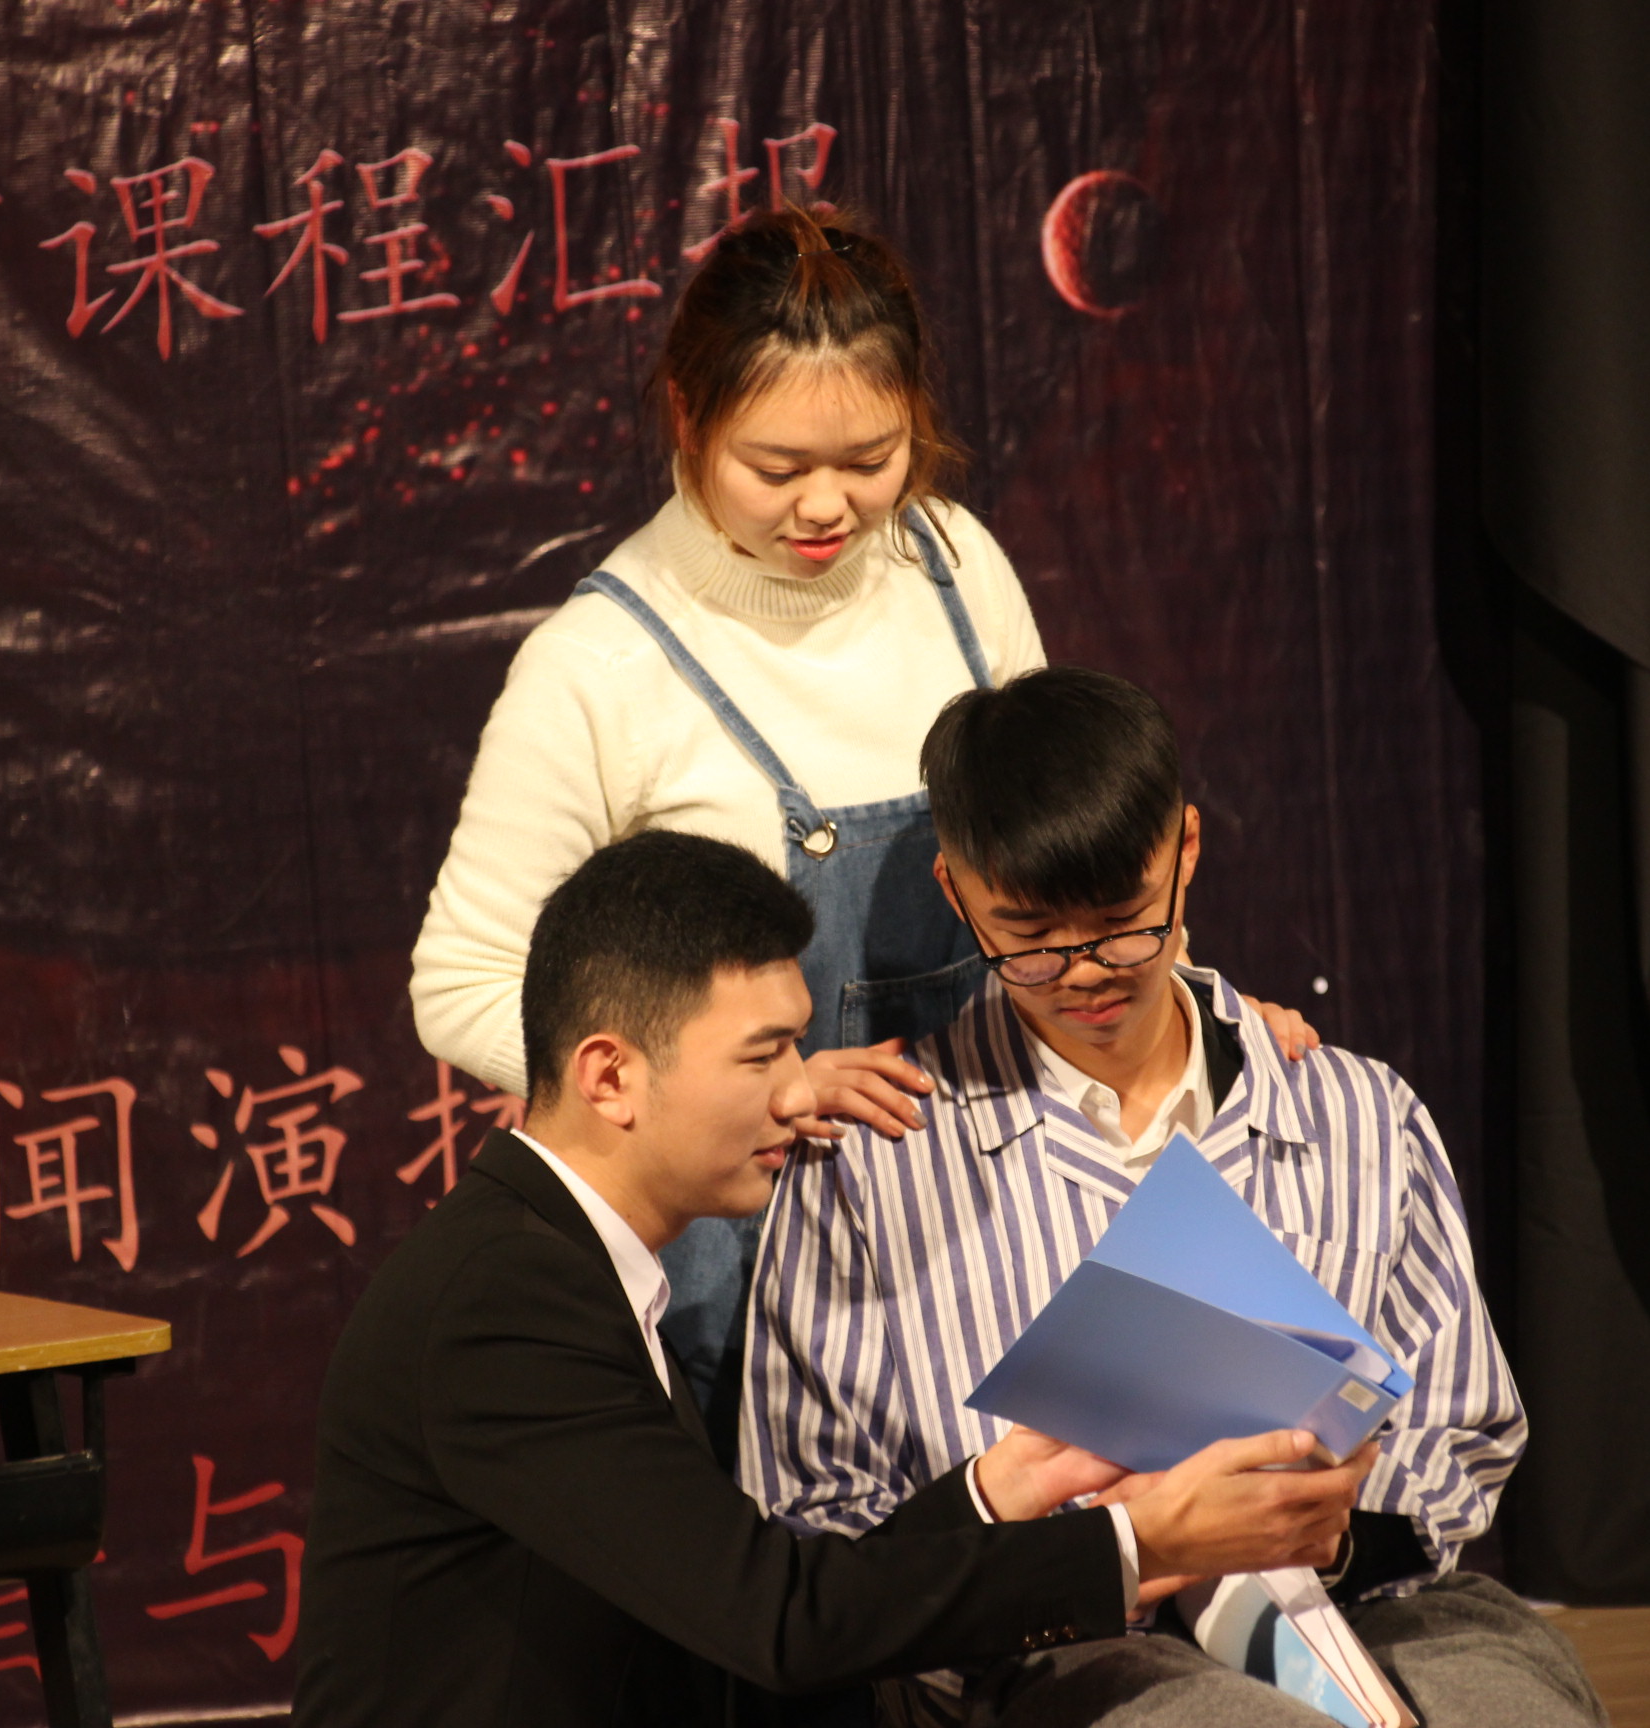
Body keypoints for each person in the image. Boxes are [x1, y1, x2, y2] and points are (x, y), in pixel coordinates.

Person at [411, 204, 1316, 1438]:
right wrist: (747, 1085)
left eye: (872, 459)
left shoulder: (953, 567)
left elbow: (1059, 839)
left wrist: (1184, 998)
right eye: (777, 469)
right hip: (750, 1255)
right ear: (687, 415)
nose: (827, 508)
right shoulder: (599, 666)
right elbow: (462, 982)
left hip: (1002, 1221)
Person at [296, 830, 1381, 1728]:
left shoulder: (561, 1265)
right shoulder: (502, 1301)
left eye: (798, 1049)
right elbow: (774, 1622)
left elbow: (750, 1622)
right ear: (611, 1075)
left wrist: (995, 1495)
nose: (799, 1092)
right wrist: (1140, 1543)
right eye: (761, 1055)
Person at [741, 670, 1607, 1727]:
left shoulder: (1355, 1114)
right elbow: (811, 1525)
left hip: (1371, 1602)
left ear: (1186, 850)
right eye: (1030, 937)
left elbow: (1459, 1425)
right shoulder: (871, 1162)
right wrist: (1093, 1542)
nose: (1086, 972)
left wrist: (1326, 1529)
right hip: (1050, 1651)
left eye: (1124, 921)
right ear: (956, 893)